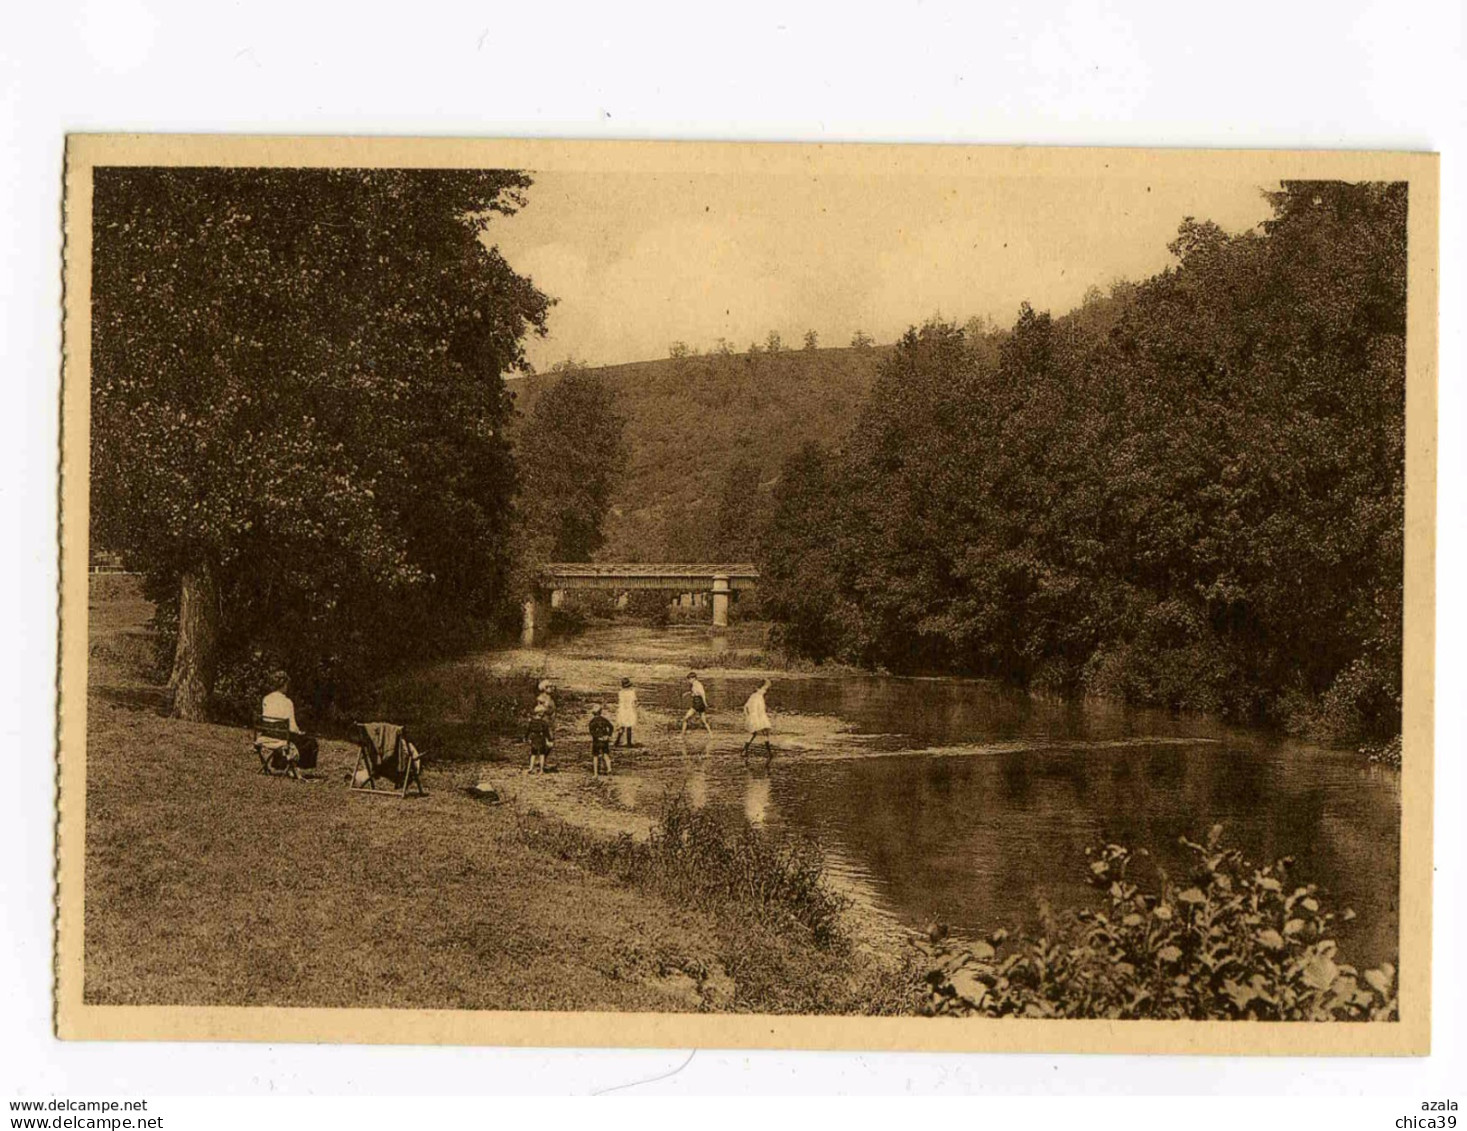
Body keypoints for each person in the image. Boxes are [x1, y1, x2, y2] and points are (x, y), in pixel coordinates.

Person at [261, 670, 318, 773]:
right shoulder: (287, 702)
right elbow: (292, 727)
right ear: (284, 685)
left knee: (289, 737)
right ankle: (294, 767)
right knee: (310, 742)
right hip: (282, 737)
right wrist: (299, 732)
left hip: (268, 735)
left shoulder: (266, 699)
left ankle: (280, 764)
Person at [741, 679, 774, 763]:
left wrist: (747, 716)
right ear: (758, 689)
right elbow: (747, 707)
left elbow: (745, 707)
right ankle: (769, 752)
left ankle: (745, 750)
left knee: (756, 733)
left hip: (757, 717)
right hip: (757, 717)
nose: (765, 691)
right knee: (761, 733)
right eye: (764, 689)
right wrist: (749, 716)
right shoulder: (756, 696)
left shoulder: (756, 696)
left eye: (766, 689)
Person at [681, 671, 713, 737]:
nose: (689, 681)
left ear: (694, 678)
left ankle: (682, 735)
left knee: (685, 718)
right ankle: (711, 735)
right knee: (704, 721)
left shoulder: (698, 684)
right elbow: (694, 692)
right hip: (698, 703)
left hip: (697, 703)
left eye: (689, 679)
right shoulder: (695, 684)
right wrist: (687, 693)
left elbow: (702, 694)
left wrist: (705, 703)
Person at [525, 702, 554, 774]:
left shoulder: (532, 722)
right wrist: (550, 739)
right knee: (542, 754)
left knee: (533, 753)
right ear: (543, 714)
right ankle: (541, 769)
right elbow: (546, 732)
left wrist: (526, 738)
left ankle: (531, 768)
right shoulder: (544, 723)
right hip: (541, 738)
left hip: (533, 738)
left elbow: (528, 730)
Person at [588, 705, 614, 776]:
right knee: (606, 754)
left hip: (596, 741)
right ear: (600, 712)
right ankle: (609, 768)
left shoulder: (592, 721)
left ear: (593, 713)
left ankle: (595, 773)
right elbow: (611, 727)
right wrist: (608, 735)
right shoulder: (604, 719)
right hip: (604, 739)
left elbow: (592, 732)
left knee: (595, 756)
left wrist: (597, 737)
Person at [613, 676, 638, 747]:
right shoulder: (632, 692)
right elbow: (634, 701)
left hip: (622, 710)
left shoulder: (620, 693)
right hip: (629, 710)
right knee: (629, 727)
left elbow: (620, 701)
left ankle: (617, 741)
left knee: (622, 726)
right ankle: (629, 743)